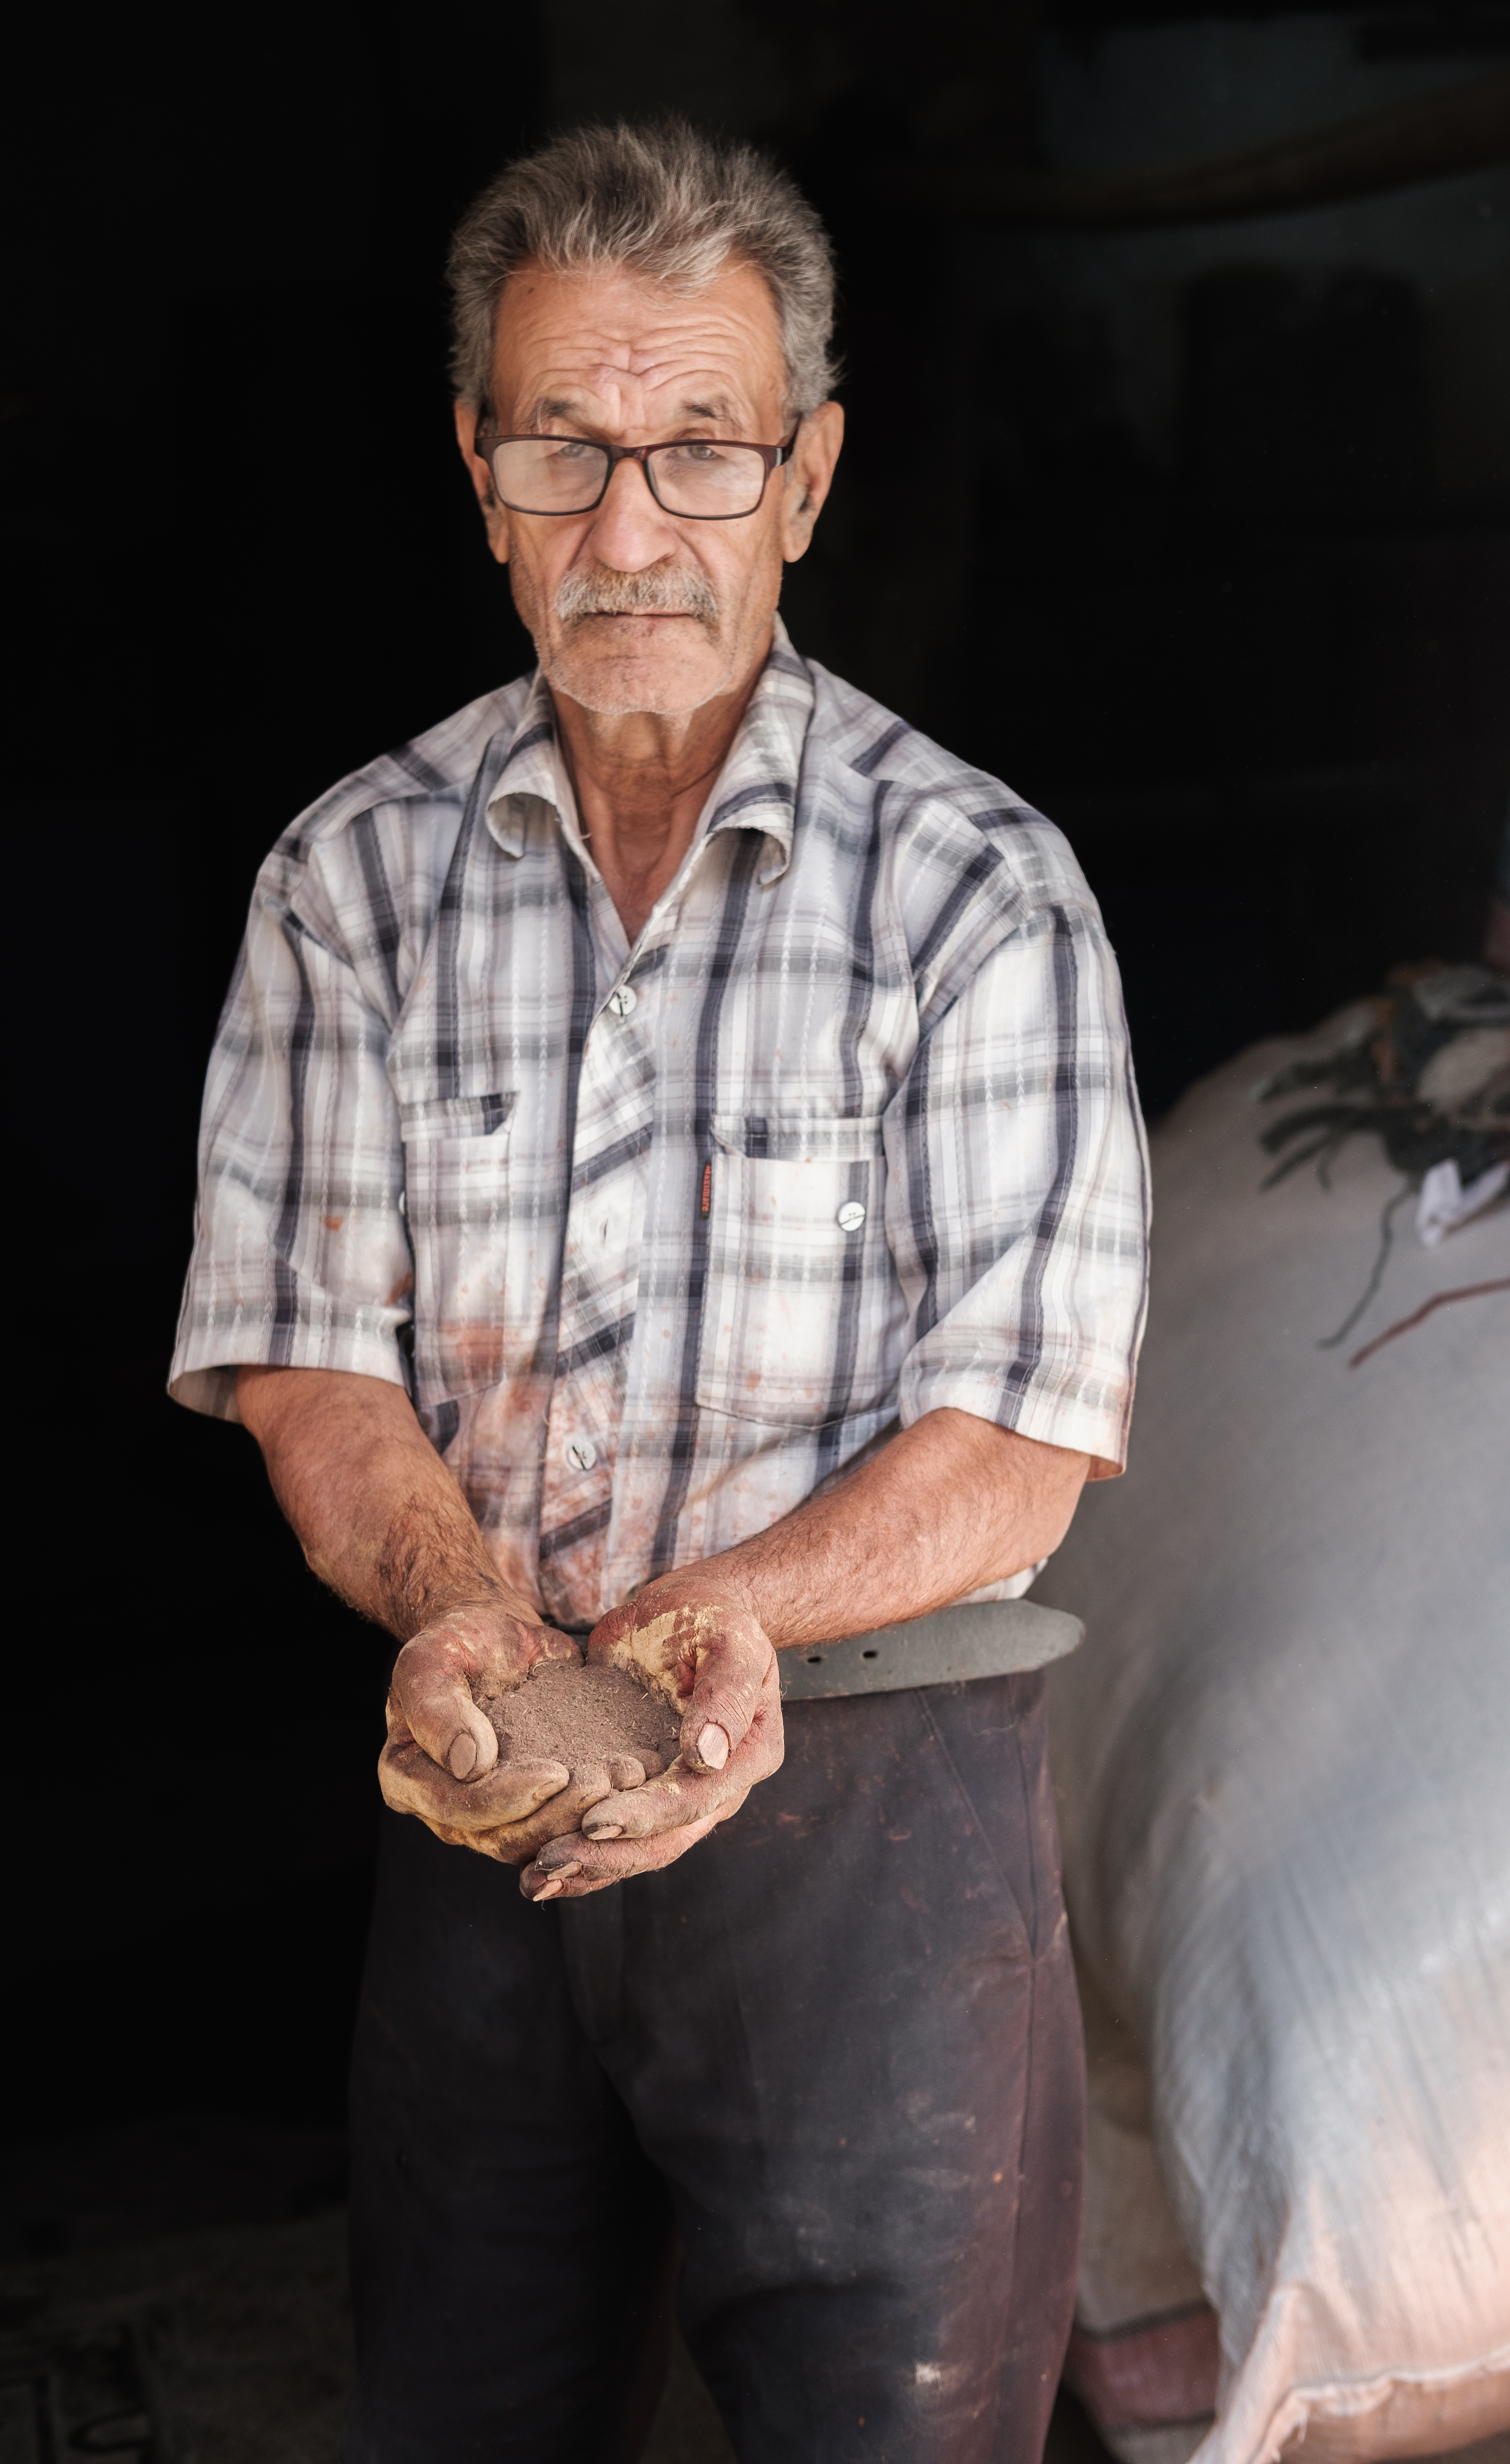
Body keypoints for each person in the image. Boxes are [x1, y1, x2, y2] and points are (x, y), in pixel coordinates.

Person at [170, 120, 1149, 2463]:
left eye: (700, 450)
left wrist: (737, 1614)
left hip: (878, 1841)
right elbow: (309, 1358)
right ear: (479, 476)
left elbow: (1025, 1428)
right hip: (486, 1796)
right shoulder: (351, 882)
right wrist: (460, 1612)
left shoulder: (977, 895)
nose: (631, 534)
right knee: (466, 2407)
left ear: (805, 477)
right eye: (564, 450)